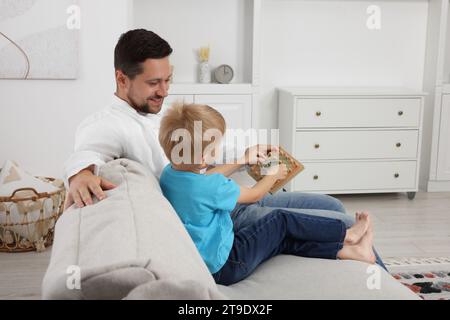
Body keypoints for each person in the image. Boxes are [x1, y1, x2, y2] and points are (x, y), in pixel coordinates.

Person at [63, 28, 386, 269]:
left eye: (168, 80)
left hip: (218, 202)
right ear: (122, 79)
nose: (164, 91)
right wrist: (79, 174)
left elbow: (198, 165)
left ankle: (369, 266)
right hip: (218, 216)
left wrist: (244, 158)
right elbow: (86, 149)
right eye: (153, 83)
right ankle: (385, 282)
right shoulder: (109, 124)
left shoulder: (158, 116)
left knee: (329, 203)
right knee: (340, 221)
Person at [158, 103, 377, 285]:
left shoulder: (170, 173)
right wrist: (272, 175)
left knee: (283, 240)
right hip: (229, 262)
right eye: (216, 145)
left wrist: (243, 160)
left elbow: (203, 177)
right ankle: (346, 235)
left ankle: (350, 253)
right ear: (205, 158)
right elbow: (254, 195)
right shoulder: (212, 186)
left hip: (215, 262)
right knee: (279, 220)